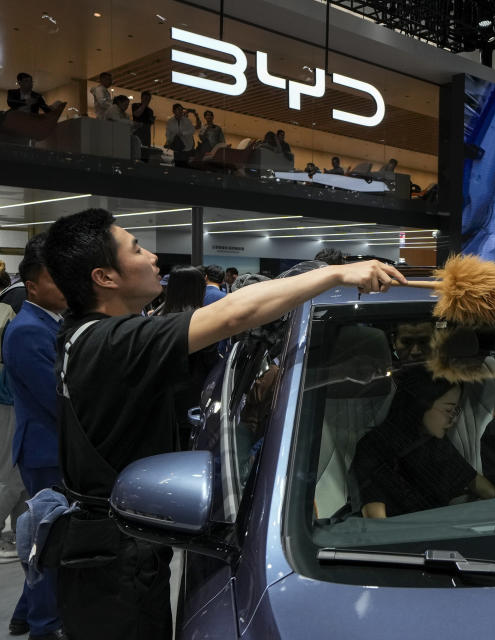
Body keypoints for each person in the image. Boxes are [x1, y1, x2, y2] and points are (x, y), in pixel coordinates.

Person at [42, 207, 405, 640]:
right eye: (137, 249)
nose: (154, 256)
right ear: (105, 277)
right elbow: (232, 314)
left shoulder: (90, 335)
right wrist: (333, 275)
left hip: (113, 549)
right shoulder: (110, 343)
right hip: (114, 564)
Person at [3, 234, 67, 640]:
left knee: (47, 537)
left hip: (47, 446)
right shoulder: (29, 329)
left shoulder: (47, 322)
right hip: (45, 449)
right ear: (33, 286)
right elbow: (54, 398)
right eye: (57, 280)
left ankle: (26, 615)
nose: (67, 288)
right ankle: (44, 627)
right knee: (49, 542)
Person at [350, 367, 495, 518]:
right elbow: (376, 521)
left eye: (456, 411)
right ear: (422, 404)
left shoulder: (433, 442)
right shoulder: (374, 447)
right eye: (448, 410)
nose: (453, 419)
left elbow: (480, 485)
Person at [157, 266, 220, 449]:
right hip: (194, 402)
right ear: (198, 289)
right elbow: (211, 363)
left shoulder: (157, 320)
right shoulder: (202, 324)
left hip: (163, 402)